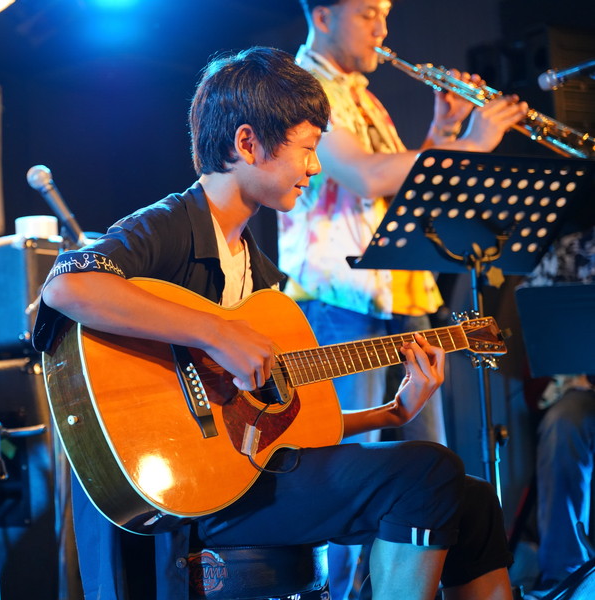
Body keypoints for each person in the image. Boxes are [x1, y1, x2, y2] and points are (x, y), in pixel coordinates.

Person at [33, 46, 513, 600]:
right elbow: (66, 286)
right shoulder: (169, 225)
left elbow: (285, 428)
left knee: (474, 501)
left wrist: (394, 412)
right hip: (195, 498)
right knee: (429, 469)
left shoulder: (260, 274)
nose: (315, 167)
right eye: (307, 149)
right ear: (247, 143)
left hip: (248, 477)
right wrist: (214, 332)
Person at [277, 1, 529, 595]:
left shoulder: (361, 95)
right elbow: (367, 175)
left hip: (399, 296)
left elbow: (399, 191)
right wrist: (473, 144)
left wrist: (443, 133)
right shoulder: (304, 88)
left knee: (429, 473)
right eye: (369, 13)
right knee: (347, 475)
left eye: (386, 14)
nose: (382, 29)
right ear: (323, 16)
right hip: (340, 300)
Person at [521, 226, 595, 598]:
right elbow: (537, 320)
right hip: (587, 390)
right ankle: (566, 577)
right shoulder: (573, 248)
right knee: (563, 423)